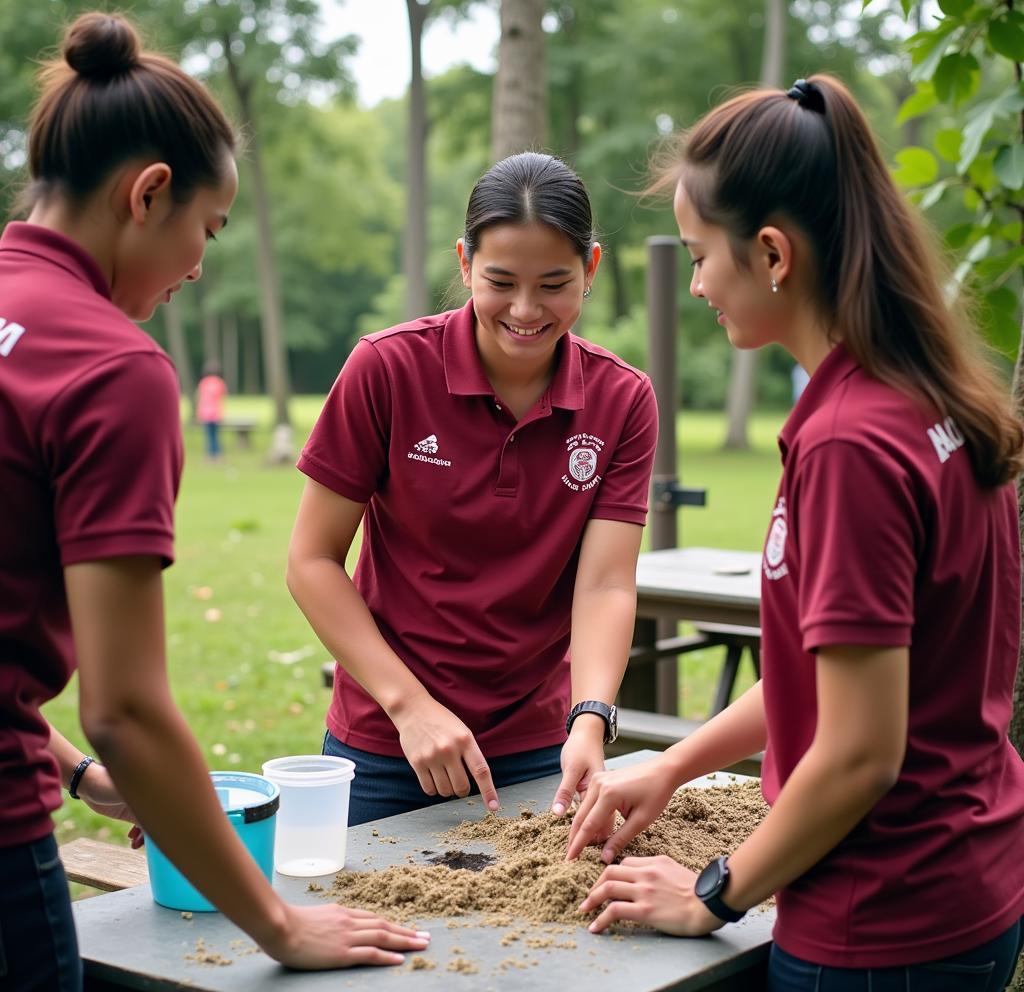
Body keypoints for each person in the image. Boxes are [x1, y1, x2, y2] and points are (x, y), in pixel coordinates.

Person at [565, 75, 1024, 989]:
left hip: (880, 924)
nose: (695, 285)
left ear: (773, 254)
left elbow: (859, 752)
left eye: (701, 256)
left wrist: (713, 894)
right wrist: (676, 766)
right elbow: (836, 680)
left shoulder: (852, 441)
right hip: (972, 884)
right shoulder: (931, 397)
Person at [0, 12, 428, 990]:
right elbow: (127, 708)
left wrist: (70, 770)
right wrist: (276, 921)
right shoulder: (109, 368)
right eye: (206, 228)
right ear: (149, 194)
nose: (198, 266)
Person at [287, 152, 658, 826]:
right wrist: (410, 707)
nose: (525, 309)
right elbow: (312, 561)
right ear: (464, 263)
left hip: (543, 744)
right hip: (389, 738)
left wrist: (591, 718)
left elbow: (605, 583)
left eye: (553, 284)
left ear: (592, 270)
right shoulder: (386, 369)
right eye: (500, 281)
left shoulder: (623, 399)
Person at [196, 359, 228, 461]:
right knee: (216, 435)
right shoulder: (220, 383)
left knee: (208, 436)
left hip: (205, 413)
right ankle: (217, 454)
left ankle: (210, 455)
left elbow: (200, 398)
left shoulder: (203, 382)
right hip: (216, 413)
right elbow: (222, 397)